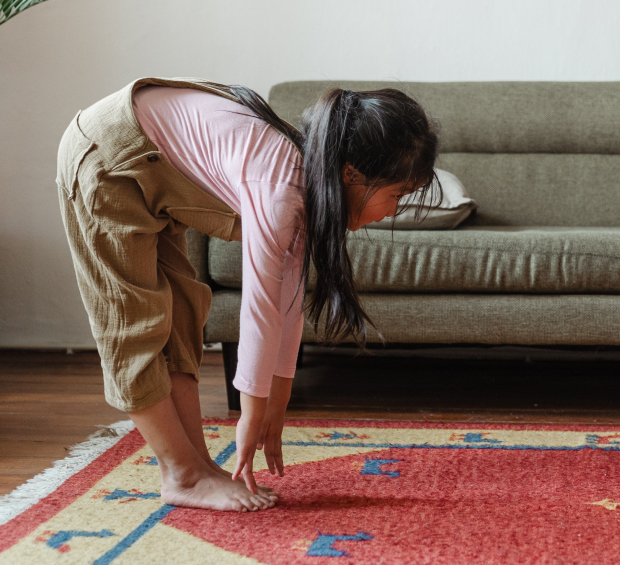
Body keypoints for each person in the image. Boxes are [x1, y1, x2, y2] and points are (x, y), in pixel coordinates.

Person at [56, 79, 439, 511]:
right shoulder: (280, 187)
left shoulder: (307, 187)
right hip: (108, 156)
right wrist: (250, 414)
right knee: (134, 325)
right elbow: (259, 308)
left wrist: (278, 402)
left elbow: (287, 302)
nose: (393, 212)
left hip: (148, 162)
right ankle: (182, 475)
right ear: (352, 174)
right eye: (396, 195)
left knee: (180, 315)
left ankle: (198, 465)